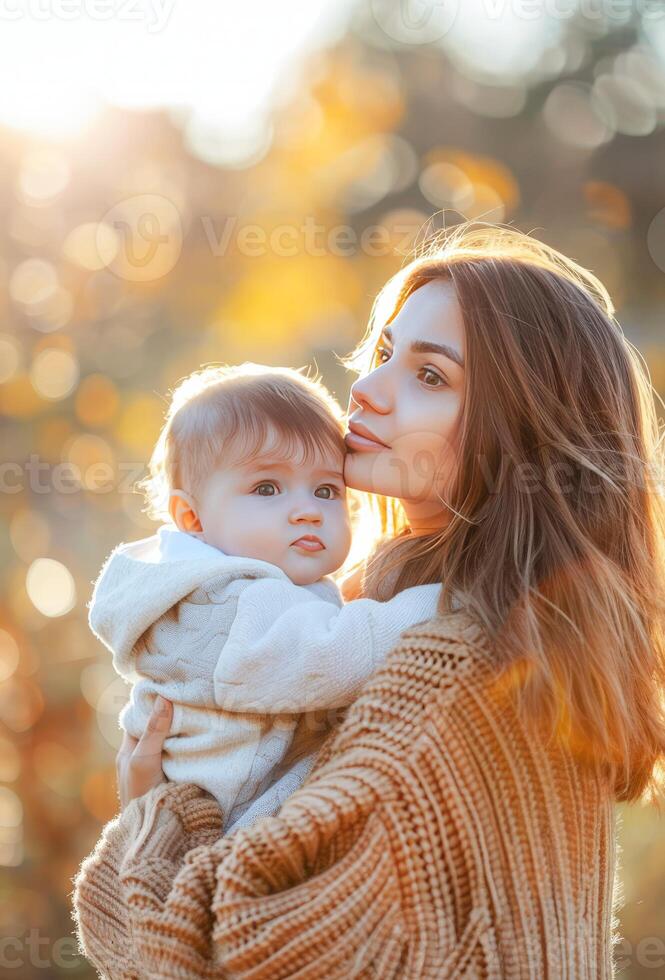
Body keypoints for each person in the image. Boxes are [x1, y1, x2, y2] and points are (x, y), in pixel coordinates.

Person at [72, 221, 665, 978]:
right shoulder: (485, 629)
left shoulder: (449, 659)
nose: (364, 389)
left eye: (429, 377)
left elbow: (231, 953)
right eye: (384, 352)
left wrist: (149, 817)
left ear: (518, 434)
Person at [87, 362, 441, 834]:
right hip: (223, 827)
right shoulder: (219, 607)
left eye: (325, 489)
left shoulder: (264, 589)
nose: (307, 511)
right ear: (192, 518)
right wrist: (441, 601)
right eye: (267, 488)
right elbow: (332, 656)